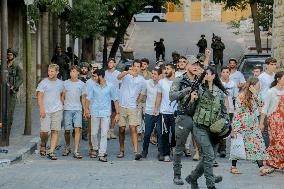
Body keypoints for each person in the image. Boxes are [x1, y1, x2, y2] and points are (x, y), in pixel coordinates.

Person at [186, 66, 227, 189]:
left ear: (214, 76)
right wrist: (192, 100)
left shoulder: (219, 92)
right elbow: (189, 110)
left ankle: (193, 178)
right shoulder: (198, 89)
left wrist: (226, 123)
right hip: (199, 127)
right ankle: (211, 184)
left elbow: (224, 111)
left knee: (208, 157)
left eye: (209, 73)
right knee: (209, 156)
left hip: (214, 129)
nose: (206, 75)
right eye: (205, 74)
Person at [170, 55, 204, 185]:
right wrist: (187, 90)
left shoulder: (200, 80)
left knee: (204, 149)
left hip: (197, 117)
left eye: (198, 65)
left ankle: (195, 176)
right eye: (193, 64)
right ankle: (177, 175)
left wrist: (198, 95)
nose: (196, 67)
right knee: (179, 148)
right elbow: (172, 96)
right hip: (183, 117)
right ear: (187, 66)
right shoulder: (179, 80)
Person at [230, 77, 273, 176]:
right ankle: (233, 166)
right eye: (257, 85)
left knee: (257, 144)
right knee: (239, 145)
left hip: (253, 123)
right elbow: (237, 112)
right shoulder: (241, 96)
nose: (259, 87)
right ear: (251, 85)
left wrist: (255, 93)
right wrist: (235, 128)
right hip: (241, 123)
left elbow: (262, 104)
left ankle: (261, 168)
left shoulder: (255, 95)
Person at [85, 69, 120, 162]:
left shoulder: (110, 86)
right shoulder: (93, 86)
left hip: (105, 113)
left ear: (100, 76)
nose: (93, 78)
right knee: (93, 133)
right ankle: (95, 148)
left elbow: (115, 100)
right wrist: (86, 109)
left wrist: (117, 113)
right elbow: (88, 98)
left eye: (95, 76)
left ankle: (101, 153)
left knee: (104, 134)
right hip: (95, 112)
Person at [116, 59, 145, 160]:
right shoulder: (126, 75)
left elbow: (142, 93)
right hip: (122, 106)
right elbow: (118, 77)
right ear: (132, 66)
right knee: (122, 129)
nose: (136, 68)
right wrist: (127, 71)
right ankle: (121, 150)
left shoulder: (142, 80)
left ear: (141, 68)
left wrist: (136, 102)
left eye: (138, 66)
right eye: (135, 66)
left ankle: (136, 152)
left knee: (133, 128)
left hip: (132, 107)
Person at [36, 64, 64, 160]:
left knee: (55, 130)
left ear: (57, 72)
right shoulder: (43, 82)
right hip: (46, 111)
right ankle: (43, 144)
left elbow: (62, 94)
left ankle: (51, 151)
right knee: (44, 131)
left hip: (57, 110)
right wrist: (41, 109)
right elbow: (39, 97)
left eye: (52, 71)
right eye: (49, 71)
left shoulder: (61, 83)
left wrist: (62, 105)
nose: (50, 73)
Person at [62, 65, 86, 159]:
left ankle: (76, 150)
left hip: (78, 109)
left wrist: (84, 110)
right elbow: (62, 96)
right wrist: (62, 105)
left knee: (77, 129)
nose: (73, 73)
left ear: (78, 73)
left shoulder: (81, 84)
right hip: (67, 109)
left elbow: (83, 98)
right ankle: (67, 147)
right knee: (67, 130)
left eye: (74, 71)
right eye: (71, 71)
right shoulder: (65, 83)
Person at [261, 71, 284, 169]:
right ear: (278, 79)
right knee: (279, 141)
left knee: (276, 142)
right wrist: (261, 123)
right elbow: (264, 108)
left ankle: (273, 161)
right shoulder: (271, 92)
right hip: (274, 121)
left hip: (283, 120)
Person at [154, 63, 176, 162]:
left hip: (176, 112)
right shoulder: (161, 82)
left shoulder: (178, 82)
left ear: (173, 70)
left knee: (176, 133)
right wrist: (156, 109)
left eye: (168, 69)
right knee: (164, 134)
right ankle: (166, 154)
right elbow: (159, 96)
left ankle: (173, 147)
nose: (166, 70)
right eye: (165, 69)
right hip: (164, 112)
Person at [140, 68, 163, 158]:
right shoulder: (147, 83)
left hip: (160, 112)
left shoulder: (162, 84)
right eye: (152, 73)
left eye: (155, 74)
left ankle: (160, 152)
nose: (153, 75)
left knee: (160, 133)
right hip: (149, 111)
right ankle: (144, 151)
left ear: (160, 75)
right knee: (147, 134)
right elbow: (142, 93)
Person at [218, 66, 238, 158]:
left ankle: (223, 149)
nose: (225, 74)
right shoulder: (218, 83)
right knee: (219, 128)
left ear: (229, 73)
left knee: (226, 128)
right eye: (223, 72)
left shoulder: (232, 84)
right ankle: (220, 147)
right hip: (219, 109)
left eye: (227, 72)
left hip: (230, 109)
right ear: (221, 73)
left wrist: (235, 109)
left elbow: (235, 97)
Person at [258, 57, 277, 147]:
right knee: (264, 129)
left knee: (273, 128)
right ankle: (264, 151)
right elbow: (257, 92)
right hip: (264, 106)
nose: (273, 66)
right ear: (267, 65)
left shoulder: (276, 76)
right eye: (271, 64)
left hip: (274, 106)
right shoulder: (261, 77)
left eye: (274, 64)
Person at [6, 48, 23, 128]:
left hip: (11, 90)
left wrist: (14, 86)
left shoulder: (17, 64)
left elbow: (21, 78)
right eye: (8, 54)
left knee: (10, 109)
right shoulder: (4, 63)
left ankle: (8, 126)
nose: (9, 56)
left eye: (11, 54)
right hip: (3, 89)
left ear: (14, 55)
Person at [105, 58, 121, 140]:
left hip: (115, 97)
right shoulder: (105, 73)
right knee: (108, 114)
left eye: (112, 62)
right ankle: (107, 131)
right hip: (107, 96)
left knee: (114, 114)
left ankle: (112, 130)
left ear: (114, 64)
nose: (110, 64)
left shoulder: (118, 73)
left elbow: (122, 85)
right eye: (109, 62)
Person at [137, 58, 152, 141]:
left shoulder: (151, 74)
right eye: (142, 64)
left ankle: (146, 133)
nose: (143, 65)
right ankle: (139, 133)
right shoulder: (137, 74)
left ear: (147, 65)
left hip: (148, 99)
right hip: (139, 99)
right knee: (138, 116)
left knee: (146, 117)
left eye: (145, 64)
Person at [86, 68, 99, 158]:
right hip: (91, 109)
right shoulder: (88, 82)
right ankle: (92, 148)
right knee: (91, 131)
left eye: (96, 69)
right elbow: (86, 97)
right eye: (93, 68)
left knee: (101, 131)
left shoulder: (102, 82)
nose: (94, 70)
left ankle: (100, 148)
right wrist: (86, 109)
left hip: (102, 110)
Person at [78, 62, 91, 141]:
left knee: (85, 117)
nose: (83, 69)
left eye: (85, 68)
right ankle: (75, 130)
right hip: (78, 98)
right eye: (82, 68)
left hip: (87, 98)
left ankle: (84, 133)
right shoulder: (78, 77)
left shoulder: (90, 78)